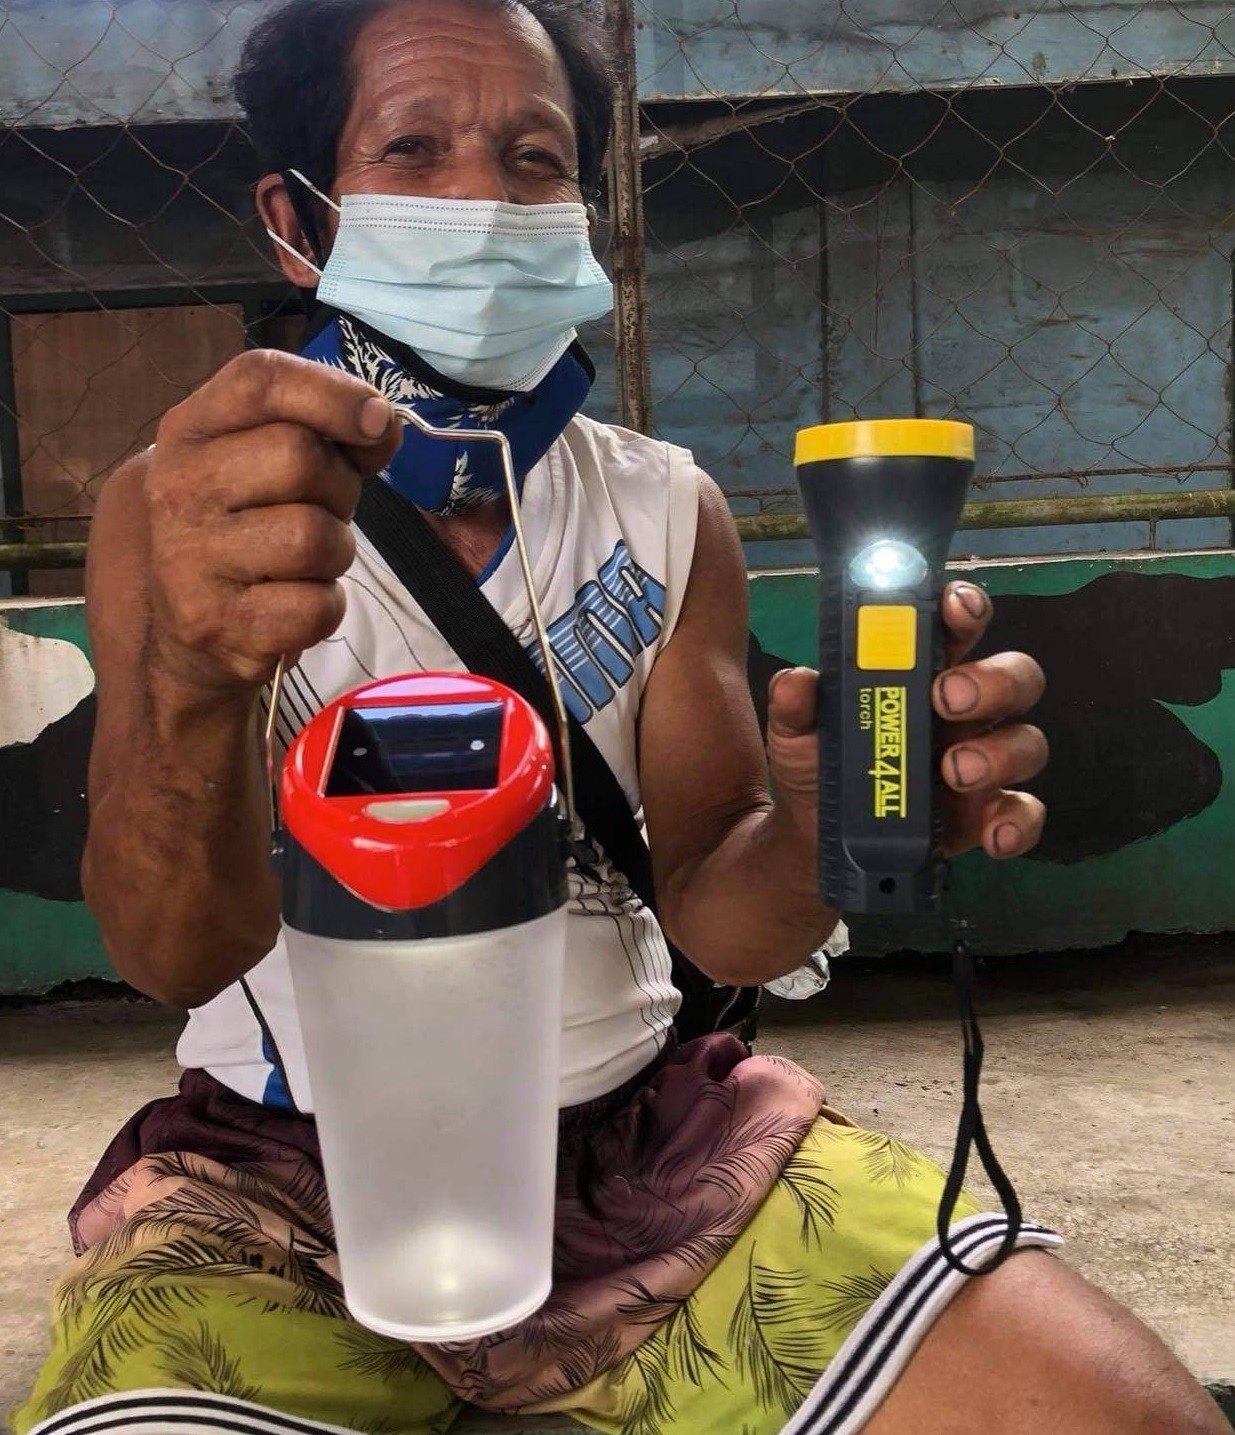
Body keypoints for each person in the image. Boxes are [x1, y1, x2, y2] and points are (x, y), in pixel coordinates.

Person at [13, 3, 1226, 1433]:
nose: (485, 199)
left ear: (584, 212)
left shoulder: (665, 505)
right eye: (413, 149)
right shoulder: (176, 511)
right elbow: (173, 955)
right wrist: (195, 680)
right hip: (277, 1180)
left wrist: (826, 825)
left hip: (652, 1140)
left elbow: (720, 914)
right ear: (299, 221)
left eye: (535, 158)